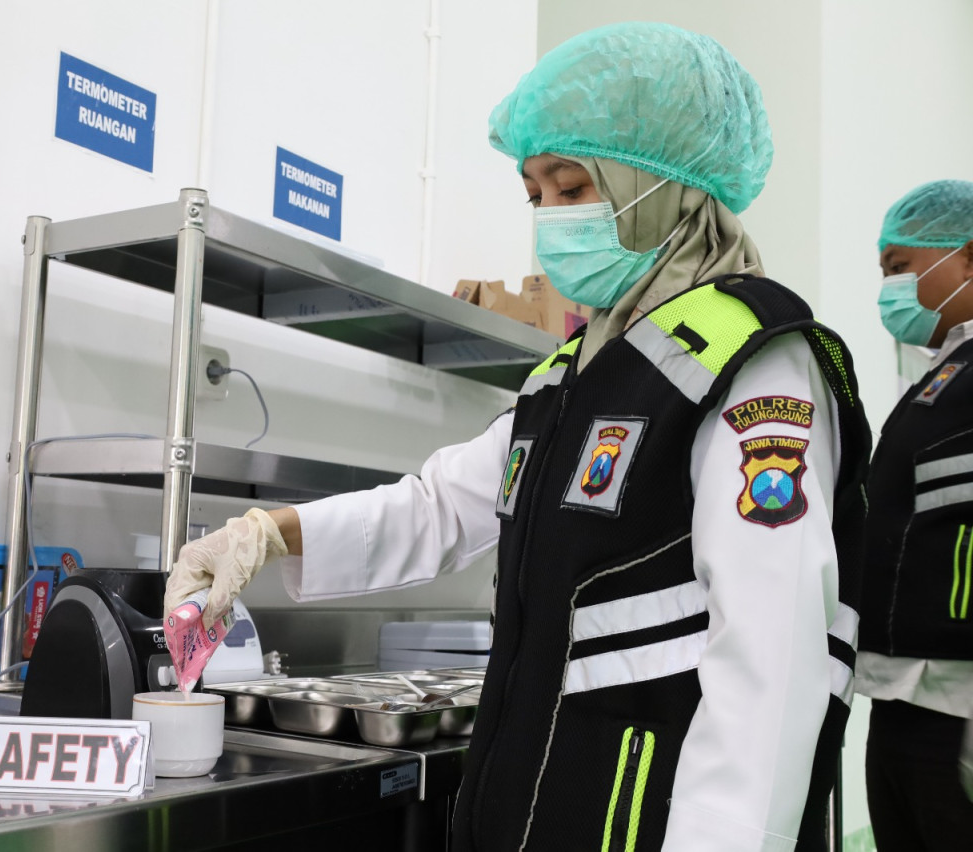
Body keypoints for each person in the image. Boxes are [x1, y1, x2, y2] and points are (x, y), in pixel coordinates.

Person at [167, 23, 870, 851]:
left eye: (572, 187)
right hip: (530, 804)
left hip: (654, 816)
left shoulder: (754, 361)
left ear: (664, 181)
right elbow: (438, 508)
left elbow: (775, 659)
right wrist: (263, 536)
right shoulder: (573, 371)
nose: (549, 217)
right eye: (534, 193)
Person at [858, 179, 973, 850]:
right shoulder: (944, 371)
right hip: (902, 688)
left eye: (901, 267)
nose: (890, 289)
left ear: (966, 260)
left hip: (956, 694)